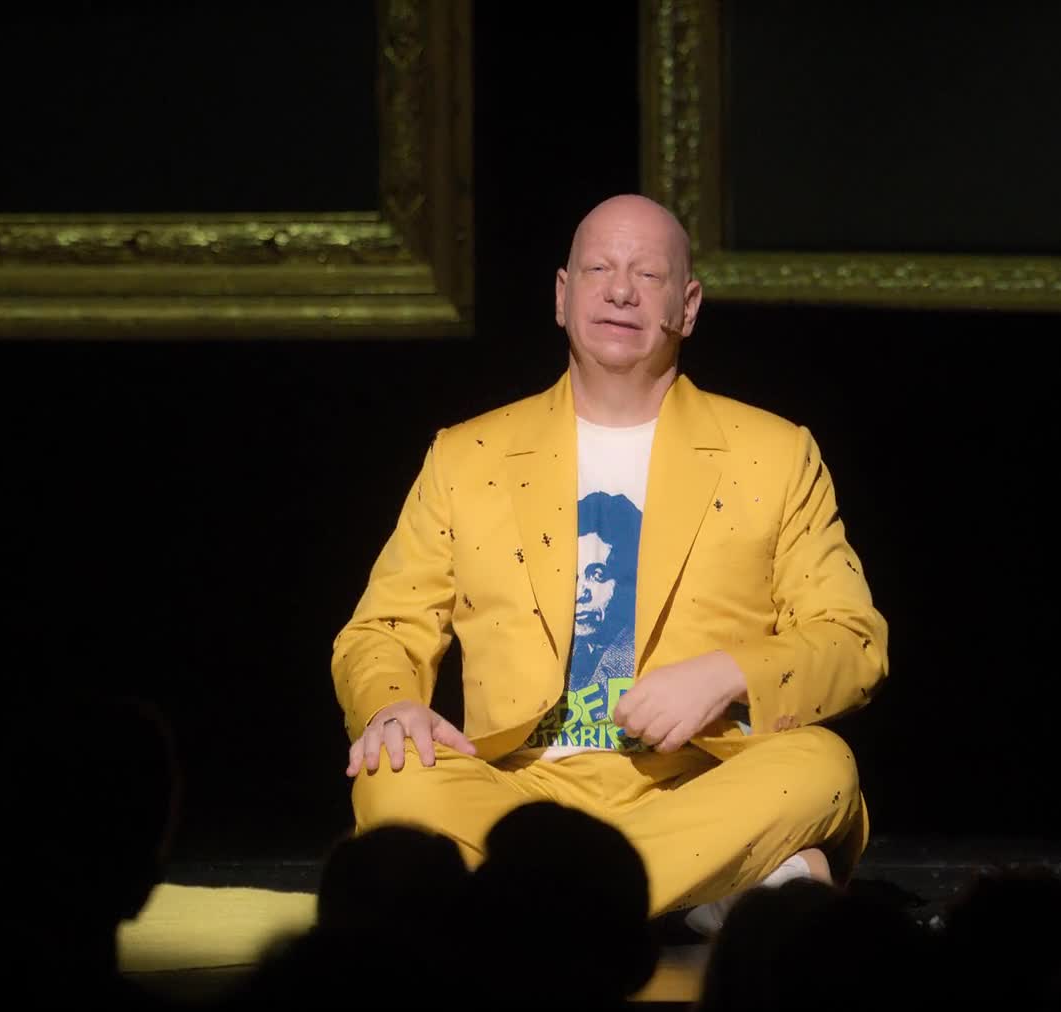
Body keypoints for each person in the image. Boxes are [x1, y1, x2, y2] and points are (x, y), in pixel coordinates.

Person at [331, 194, 889, 933]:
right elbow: (384, 628)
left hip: (697, 785)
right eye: (598, 270)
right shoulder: (468, 455)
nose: (621, 290)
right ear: (562, 296)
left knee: (821, 766)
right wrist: (392, 703)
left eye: (648, 274)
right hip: (516, 793)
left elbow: (852, 641)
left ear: (687, 306)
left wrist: (724, 674)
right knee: (391, 771)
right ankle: (700, 890)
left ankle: (534, 899)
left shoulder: (775, 454)